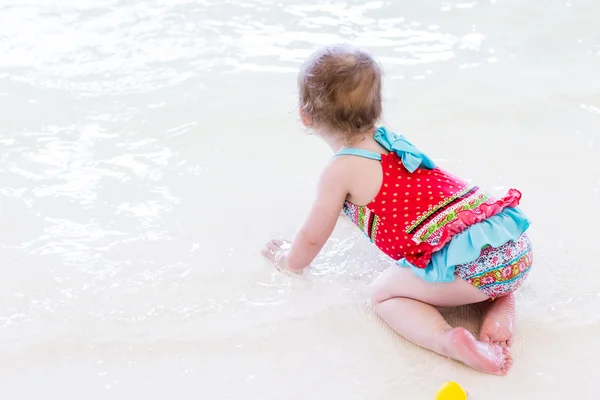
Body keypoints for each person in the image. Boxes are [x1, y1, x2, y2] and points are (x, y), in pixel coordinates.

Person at [261, 44, 532, 376]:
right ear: (376, 108)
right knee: (462, 253)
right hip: (510, 244)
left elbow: (313, 238)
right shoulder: (390, 140)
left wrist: (287, 260)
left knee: (382, 295)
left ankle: (449, 340)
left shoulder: (339, 171)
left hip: (475, 269)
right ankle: (503, 300)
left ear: (305, 114)